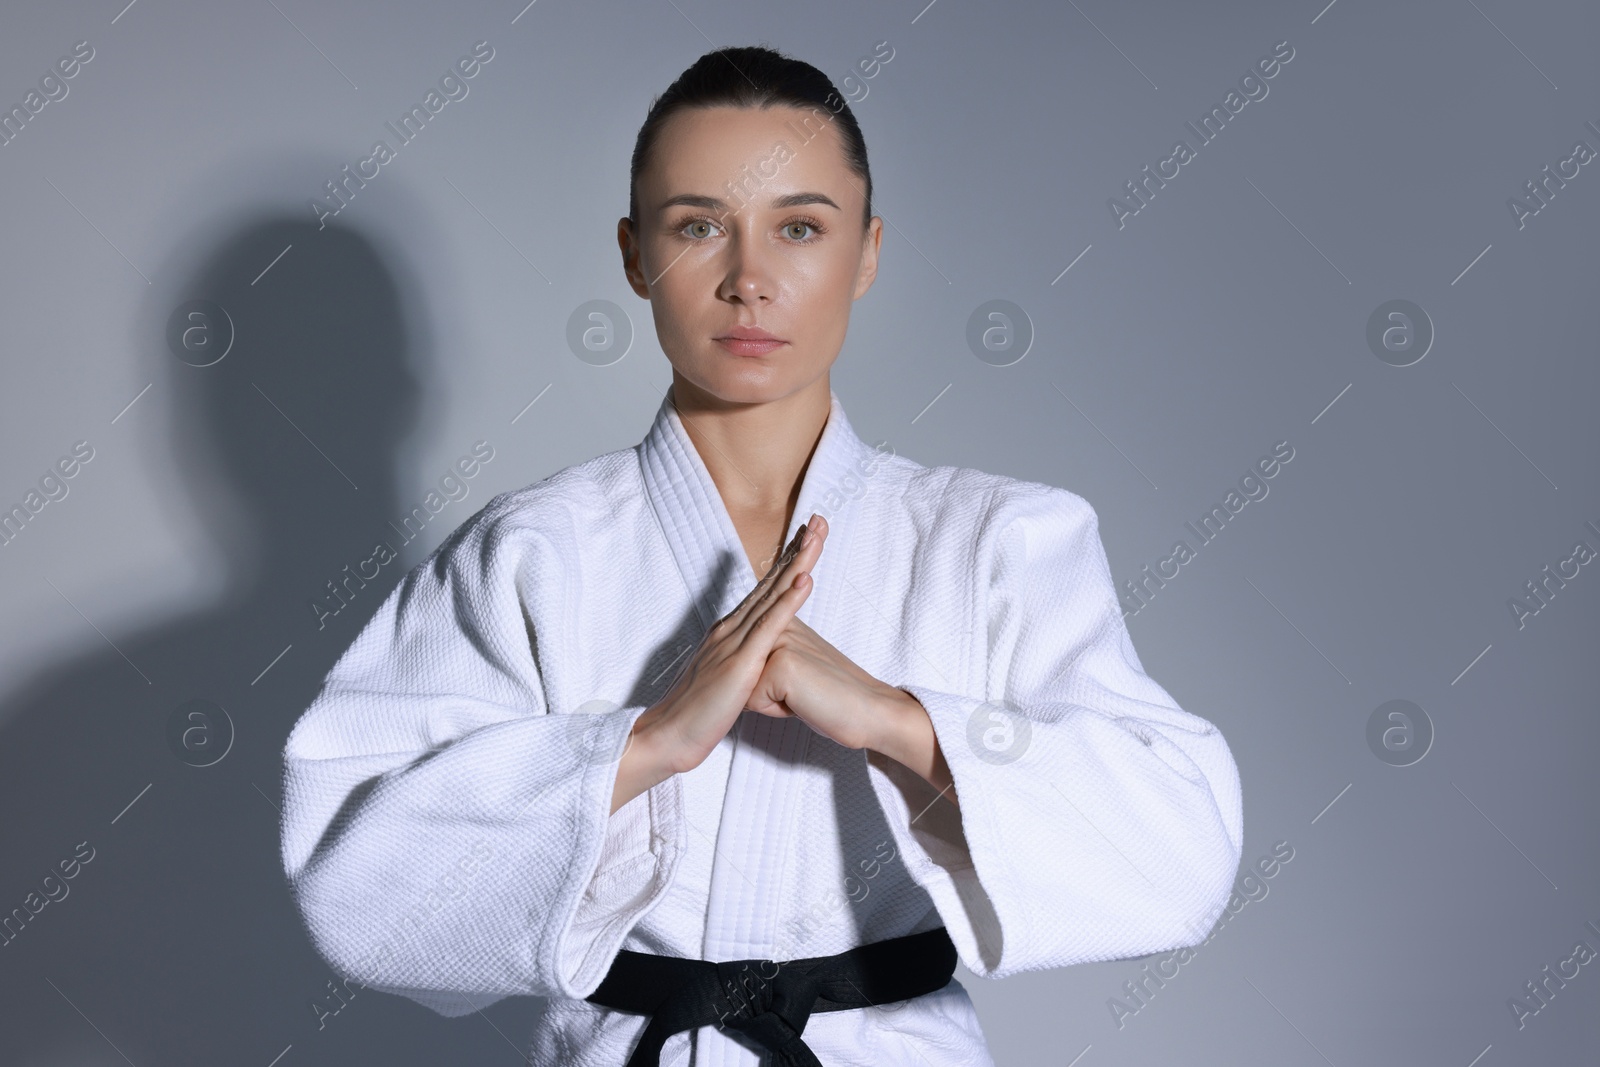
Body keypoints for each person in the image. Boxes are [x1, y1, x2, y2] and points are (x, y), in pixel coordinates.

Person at [279, 44, 1244, 1067]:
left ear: (865, 252)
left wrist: (896, 719)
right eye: (698, 226)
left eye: (799, 227)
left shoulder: (1000, 540)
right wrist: (638, 743)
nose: (748, 280)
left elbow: (1179, 856)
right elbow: (354, 891)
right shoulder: (528, 553)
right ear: (632, 253)